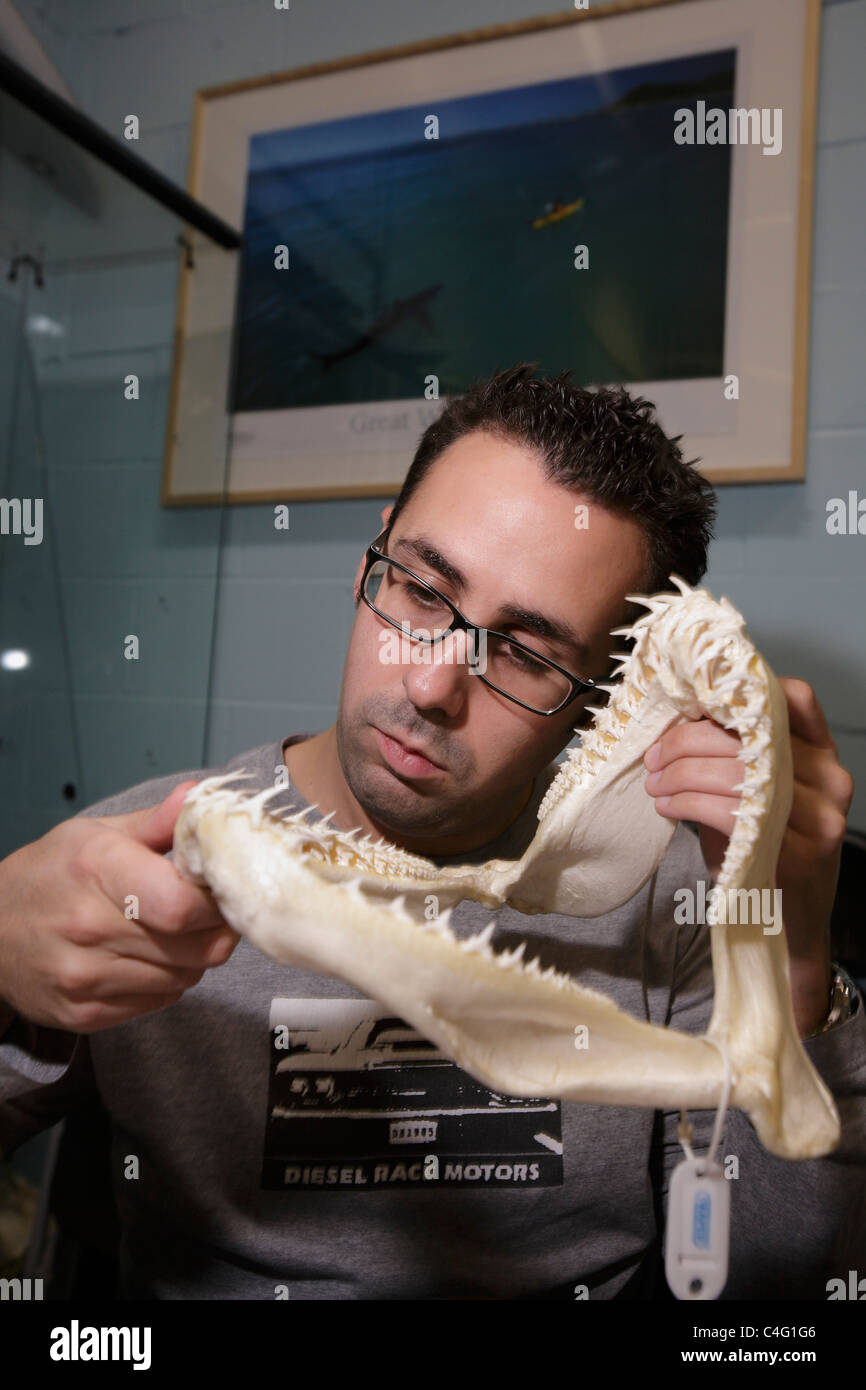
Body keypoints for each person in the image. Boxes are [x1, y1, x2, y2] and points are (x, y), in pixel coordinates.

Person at [0, 364, 863, 1300]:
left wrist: (791, 964)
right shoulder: (133, 854)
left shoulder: (688, 898)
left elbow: (768, 1298)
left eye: (527, 653)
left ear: (606, 699)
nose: (429, 685)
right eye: (419, 589)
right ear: (374, 549)